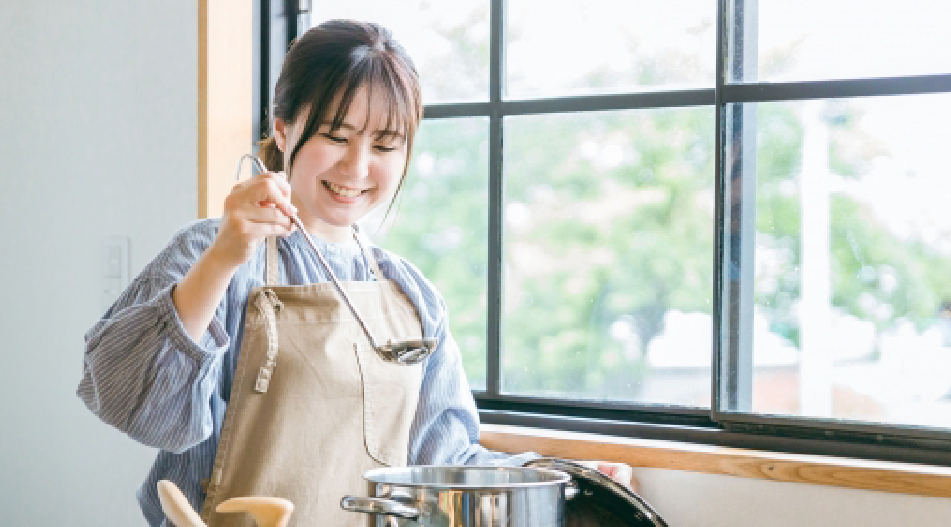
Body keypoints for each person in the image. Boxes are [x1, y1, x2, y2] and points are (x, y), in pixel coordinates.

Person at [78, 19, 630, 526]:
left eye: (385, 144)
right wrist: (226, 253)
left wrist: (566, 476)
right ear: (285, 128)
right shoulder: (213, 247)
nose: (357, 168)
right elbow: (131, 401)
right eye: (336, 136)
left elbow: (443, 458)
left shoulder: (411, 294)